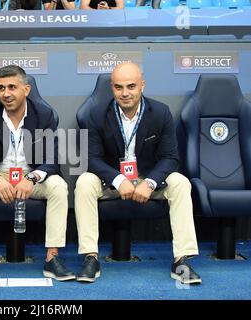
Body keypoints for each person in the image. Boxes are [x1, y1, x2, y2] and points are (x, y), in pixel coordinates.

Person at [74, 62, 202, 284]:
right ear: (112, 87)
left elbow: (170, 158)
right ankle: (90, 257)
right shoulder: (96, 115)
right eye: (119, 87)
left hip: (148, 178)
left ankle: (182, 260)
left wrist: (150, 182)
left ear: (142, 85)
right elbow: (92, 160)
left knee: (181, 183)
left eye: (131, 86)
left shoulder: (160, 112)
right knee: (84, 182)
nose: (125, 93)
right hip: (111, 182)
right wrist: (119, 179)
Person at [0, 65, 74, 281]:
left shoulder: (44, 115)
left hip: (31, 175)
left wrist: (31, 178)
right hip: (0, 176)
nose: (6, 93)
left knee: (59, 186)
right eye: (1, 88)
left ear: (26, 89)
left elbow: (52, 160)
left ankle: (52, 258)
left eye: (12, 87)